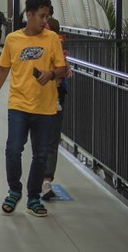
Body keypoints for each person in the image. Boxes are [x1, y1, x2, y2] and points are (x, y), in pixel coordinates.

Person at [0, 0, 67, 217]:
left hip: (44, 108)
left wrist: (50, 74)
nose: (44, 21)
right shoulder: (12, 39)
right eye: (41, 16)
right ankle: (14, 190)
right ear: (28, 15)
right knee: (13, 150)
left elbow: (63, 69)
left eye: (47, 16)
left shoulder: (52, 39)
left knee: (40, 155)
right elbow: (2, 70)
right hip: (19, 105)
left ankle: (33, 197)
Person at [42, 16, 72, 200]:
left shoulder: (61, 51)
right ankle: (38, 177)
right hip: (37, 98)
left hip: (57, 97)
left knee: (52, 141)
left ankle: (46, 180)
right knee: (40, 141)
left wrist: (63, 69)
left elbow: (64, 71)